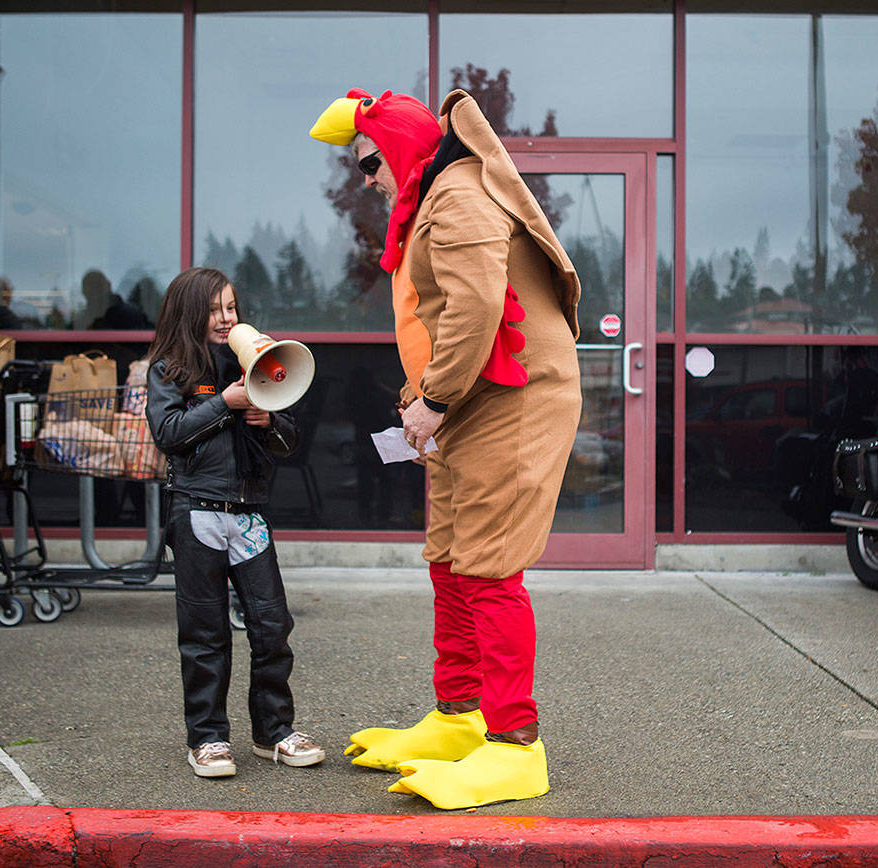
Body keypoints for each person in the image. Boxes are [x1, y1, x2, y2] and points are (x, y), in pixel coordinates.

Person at [309, 88, 582, 809]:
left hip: (516, 397)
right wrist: (423, 399)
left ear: (396, 147)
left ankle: (515, 747)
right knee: (449, 555)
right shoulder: (434, 199)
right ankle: (460, 717)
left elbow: (477, 305)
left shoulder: (457, 195)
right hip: (476, 399)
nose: (365, 179)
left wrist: (431, 402)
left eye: (369, 162)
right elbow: (439, 319)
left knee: (490, 567)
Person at [144, 266, 324, 778]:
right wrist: (224, 402)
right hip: (197, 512)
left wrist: (267, 419)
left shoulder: (257, 363)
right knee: (205, 634)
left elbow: (288, 445)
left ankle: (274, 733)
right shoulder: (169, 370)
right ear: (190, 311)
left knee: (272, 626)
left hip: (248, 516)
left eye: (232, 307)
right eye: (216, 308)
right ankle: (207, 739)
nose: (227, 318)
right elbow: (168, 433)